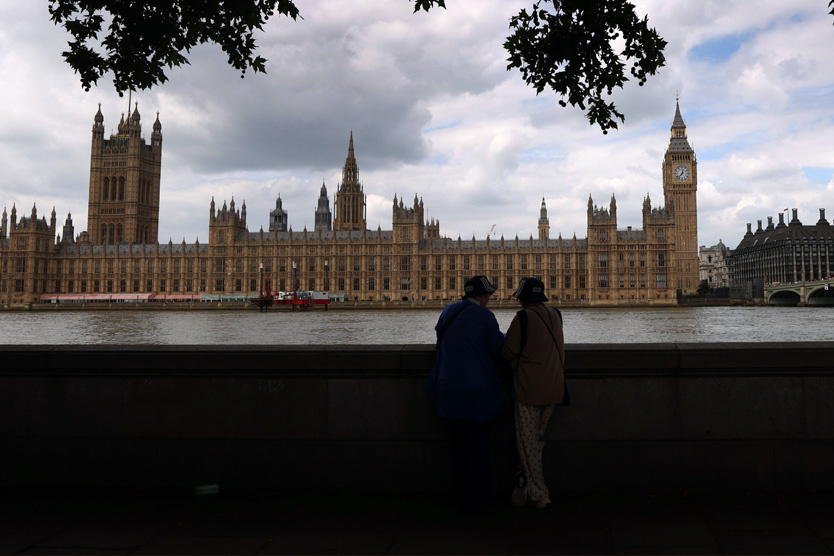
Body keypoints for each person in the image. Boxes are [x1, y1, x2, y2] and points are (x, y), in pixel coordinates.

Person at [424, 275, 505, 511]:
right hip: (476, 392)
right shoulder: (484, 315)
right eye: (488, 295)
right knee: (478, 448)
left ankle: (461, 497)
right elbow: (498, 348)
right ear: (481, 296)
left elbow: (439, 334)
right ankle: (478, 500)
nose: (489, 299)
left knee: (459, 446)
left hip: (448, 388)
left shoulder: (448, 311)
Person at [502, 277, 566, 509]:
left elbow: (507, 352)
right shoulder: (556, 315)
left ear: (523, 299)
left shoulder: (523, 318)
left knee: (527, 444)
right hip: (555, 388)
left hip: (530, 389)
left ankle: (539, 494)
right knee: (538, 442)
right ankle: (528, 486)